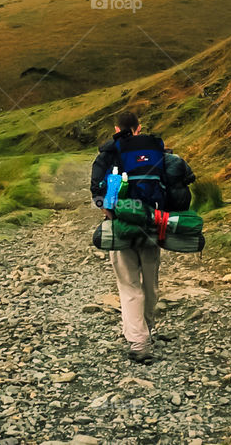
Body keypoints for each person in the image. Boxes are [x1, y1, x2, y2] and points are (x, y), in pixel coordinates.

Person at [90, 111, 166, 364]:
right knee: (150, 284)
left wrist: (113, 216)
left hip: (121, 228)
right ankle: (148, 330)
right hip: (153, 224)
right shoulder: (155, 150)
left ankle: (139, 342)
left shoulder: (108, 153)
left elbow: (97, 193)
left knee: (129, 286)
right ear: (138, 127)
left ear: (116, 128)